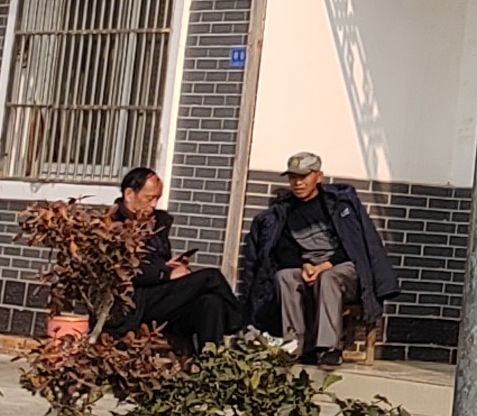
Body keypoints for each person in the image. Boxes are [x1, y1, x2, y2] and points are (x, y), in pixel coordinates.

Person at [239, 150, 393, 364]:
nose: (298, 183)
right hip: (308, 267)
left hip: (343, 267)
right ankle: (294, 344)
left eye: (303, 177)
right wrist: (304, 266)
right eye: (293, 177)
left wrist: (324, 266)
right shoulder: (285, 211)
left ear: (318, 176)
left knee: (328, 278)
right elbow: (284, 249)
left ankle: (329, 348)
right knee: (284, 276)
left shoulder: (337, 205)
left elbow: (354, 245)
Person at [113, 166, 242, 349]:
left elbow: (154, 260)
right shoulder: (114, 226)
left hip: (160, 293)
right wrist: (166, 273)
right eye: (149, 198)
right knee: (210, 277)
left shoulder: (156, 223)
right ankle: (241, 325)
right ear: (129, 194)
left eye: (157, 199)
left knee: (210, 303)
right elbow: (127, 269)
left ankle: (211, 360)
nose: (153, 205)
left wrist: (171, 264)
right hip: (137, 301)